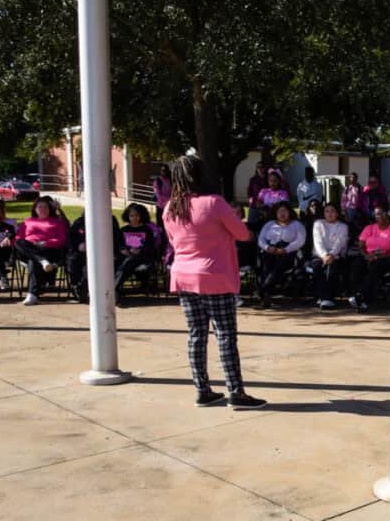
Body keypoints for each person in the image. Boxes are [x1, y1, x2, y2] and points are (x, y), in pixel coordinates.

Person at [162, 154, 266, 409]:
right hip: (214, 277)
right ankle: (236, 392)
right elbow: (242, 234)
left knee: (196, 335)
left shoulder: (170, 208)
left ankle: (202, 389)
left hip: (184, 277)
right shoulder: (214, 203)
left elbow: (174, 243)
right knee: (225, 336)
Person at [14, 197, 69, 306]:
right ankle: (42, 261)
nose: (43, 209)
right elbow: (18, 237)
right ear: (35, 209)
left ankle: (32, 295)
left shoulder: (57, 222)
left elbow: (62, 240)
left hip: (48, 250)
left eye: (45, 207)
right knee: (19, 242)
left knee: (33, 261)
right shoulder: (28, 221)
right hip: (30, 249)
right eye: (40, 207)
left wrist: (46, 243)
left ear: (50, 209)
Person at [256, 201, 307, 308]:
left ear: (290, 212)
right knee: (266, 263)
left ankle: (263, 291)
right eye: (279, 211)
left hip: (289, 252)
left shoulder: (296, 224)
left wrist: (286, 249)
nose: (282, 213)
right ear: (275, 213)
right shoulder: (269, 224)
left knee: (279, 266)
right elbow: (261, 239)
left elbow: (300, 240)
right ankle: (266, 295)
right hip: (271, 250)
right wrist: (267, 248)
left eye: (285, 211)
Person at [67, 212, 122, 303]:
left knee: (93, 268)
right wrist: (79, 245)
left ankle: (84, 289)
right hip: (82, 253)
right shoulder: (79, 222)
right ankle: (78, 289)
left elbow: (116, 238)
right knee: (73, 261)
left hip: (104, 253)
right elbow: (72, 238)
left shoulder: (110, 220)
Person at [349, 205, 390, 312]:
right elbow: (361, 245)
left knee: (376, 267)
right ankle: (357, 296)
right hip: (367, 255)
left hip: (384, 258)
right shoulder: (369, 228)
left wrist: (376, 257)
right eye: (375, 214)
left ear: (386, 214)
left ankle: (360, 296)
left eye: (379, 213)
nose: (376, 216)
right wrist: (366, 255)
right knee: (356, 266)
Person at [115, 203, 156, 299]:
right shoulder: (124, 230)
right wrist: (124, 249)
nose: (134, 218)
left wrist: (139, 250)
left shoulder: (147, 230)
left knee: (129, 261)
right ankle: (115, 288)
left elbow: (150, 245)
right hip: (126, 256)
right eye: (132, 216)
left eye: (137, 215)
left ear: (141, 216)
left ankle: (113, 288)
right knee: (119, 262)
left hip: (142, 257)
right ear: (128, 216)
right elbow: (120, 244)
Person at [245, 162, 268, 227]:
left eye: (262, 167)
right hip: (254, 205)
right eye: (258, 167)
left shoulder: (269, 179)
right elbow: (249, 193)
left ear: (265, 168)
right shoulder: (253, 179)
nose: (260, 169)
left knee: (265, 226)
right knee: (251, 225)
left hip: (266, 206)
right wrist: (252, 201)